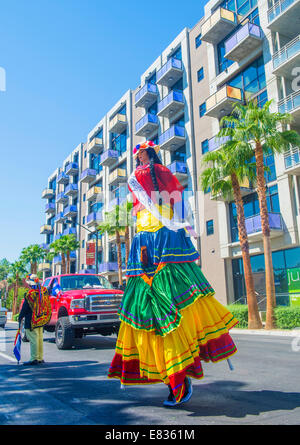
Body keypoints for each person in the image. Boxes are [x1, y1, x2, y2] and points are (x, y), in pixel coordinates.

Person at [108, 141, 239, 407]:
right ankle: (178, 374)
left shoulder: (140, 175)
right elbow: (178, 201)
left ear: (147, 154)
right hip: (164, 235)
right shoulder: (164, 173)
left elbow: (147, 204)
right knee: (179, 302)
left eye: (139, 153)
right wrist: (184, 227)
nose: (137, 157)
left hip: (148, 237)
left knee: (157, 310)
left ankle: (177, 378)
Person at [18, 274, 52, 366]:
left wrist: (20, 317)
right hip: (41, 319)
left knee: (33, 339)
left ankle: (34, 358)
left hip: (32, 320)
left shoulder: (30, 294)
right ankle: (40, 357)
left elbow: (25, 308)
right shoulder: (43, 291)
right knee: (39, 338)